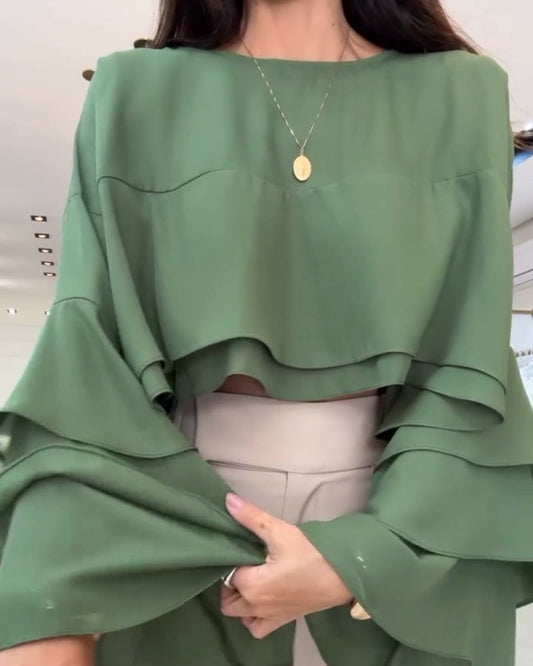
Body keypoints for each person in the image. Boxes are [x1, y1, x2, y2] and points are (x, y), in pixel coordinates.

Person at [0, 1, 532, 665]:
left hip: (405, 520)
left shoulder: (461, 95)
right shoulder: (132, 93)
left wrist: (361, 561)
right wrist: (52, 608)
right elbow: (88, 358)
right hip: (172, 529)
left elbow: (467, 356)